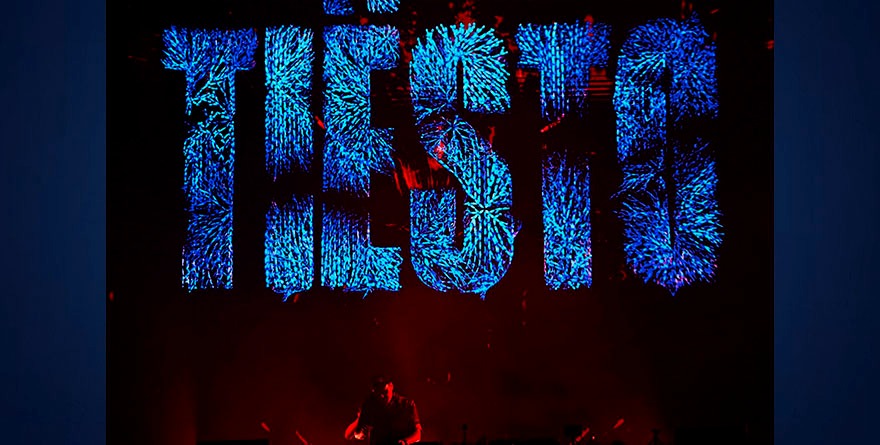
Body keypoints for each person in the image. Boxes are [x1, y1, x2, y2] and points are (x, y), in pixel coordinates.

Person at [345, 375, 422, 445]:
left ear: (391, 386)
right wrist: (360, 419)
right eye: (378, 393)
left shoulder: (407, 404)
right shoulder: (370, 406)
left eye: (385, 392)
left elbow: (418, 435)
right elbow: (348, 435)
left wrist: (405, 442)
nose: (382, 396)